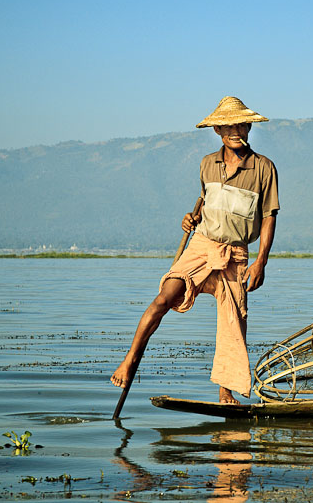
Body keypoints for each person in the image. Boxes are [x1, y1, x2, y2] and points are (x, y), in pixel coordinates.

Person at [110, 96, 279, 404]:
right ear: (216, 130)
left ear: (249, 126)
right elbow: (203, 203)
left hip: (236, 254)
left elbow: (269, 217)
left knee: (234, 322)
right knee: (164, 296)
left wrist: (261, 262)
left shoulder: (264, 168)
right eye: (227, 126)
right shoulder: (206, 164)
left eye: (240, 124)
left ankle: (225, 390)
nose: (235, 131)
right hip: (201, 245)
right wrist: (190, 217)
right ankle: (131, 358)